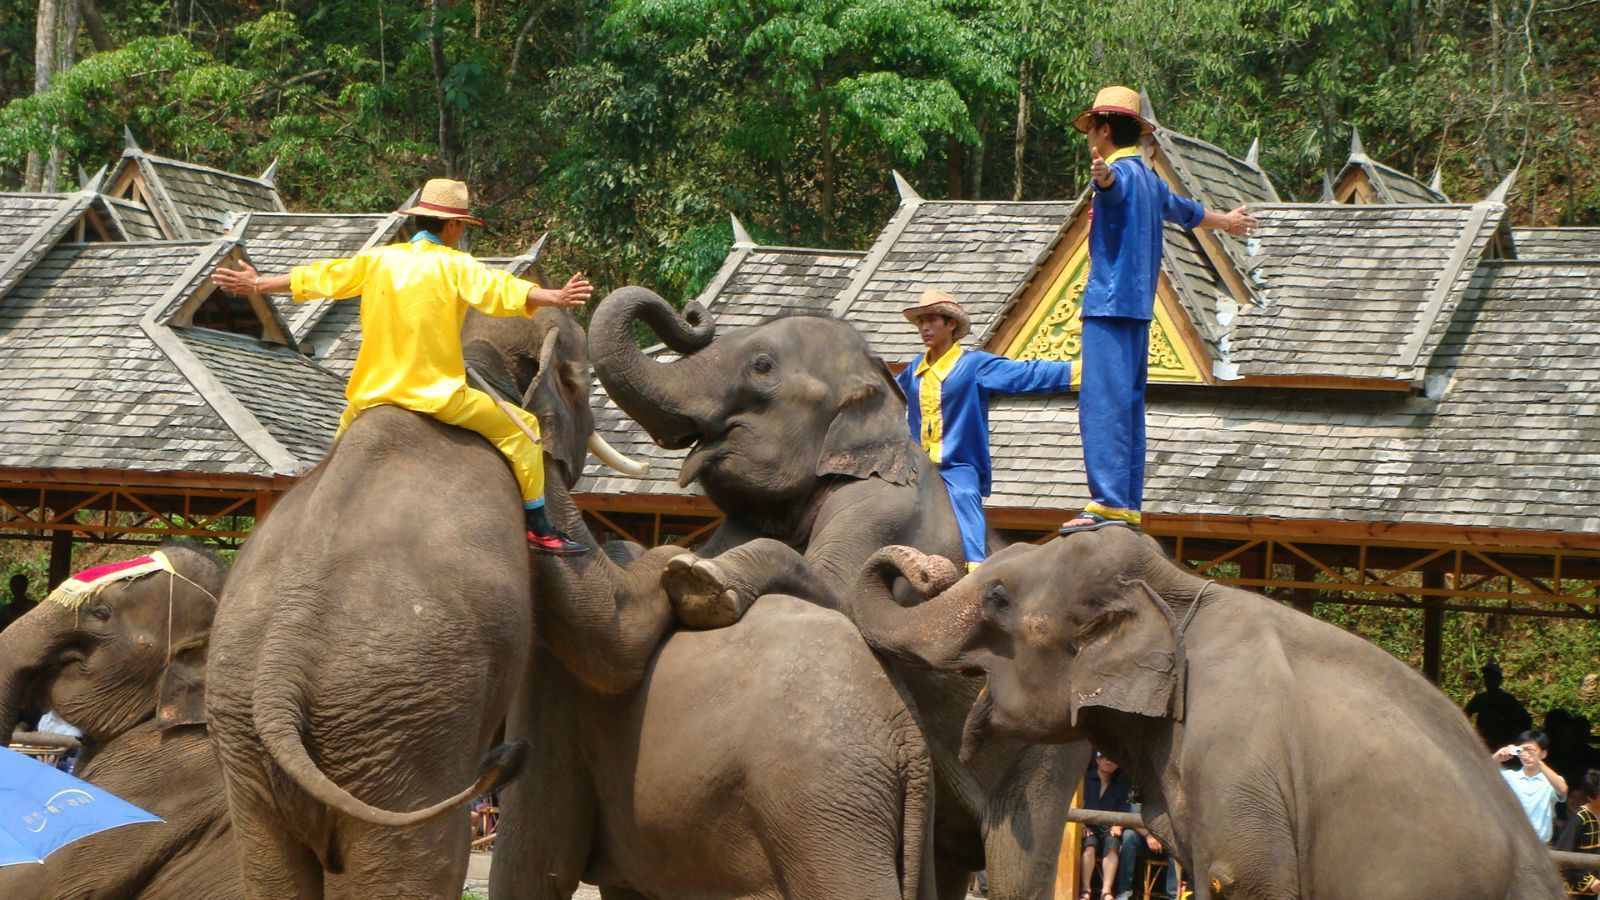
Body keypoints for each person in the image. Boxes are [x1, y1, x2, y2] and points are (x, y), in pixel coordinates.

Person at [212, 178, 592, 555]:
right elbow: (503, 292)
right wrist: (555, 296)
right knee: (525, 435)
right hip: (439, 397)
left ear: (419, 220)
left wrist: (258, 282)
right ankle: (540, 530)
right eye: (461, 226)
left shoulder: (378, 259)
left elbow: (320, 278)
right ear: (453, 225)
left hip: (369, 397)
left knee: (329, 464)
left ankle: (298, 527)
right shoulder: (456, 265)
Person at [1058, 86, 1255, 534]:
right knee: (1129, 406)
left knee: (1103, 404)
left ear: (1105, 130)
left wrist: (1102, 179)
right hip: (1139, 311)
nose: (1089, 138)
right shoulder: (1151, 179)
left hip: (1108, 306)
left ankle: (1106, 501)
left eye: (1091, 130)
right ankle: (1126, 503)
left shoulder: (1123, 175)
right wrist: (1226, 220)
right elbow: (1186, 211)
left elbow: (1110, 188)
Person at [895, 290, 1074, 568]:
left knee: (966, 497)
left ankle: (975, 567)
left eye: (931, 320)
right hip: (915, 465)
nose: (924, 328)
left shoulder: (974, 365)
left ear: (950, 324)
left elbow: (1024, 374)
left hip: (956, 465)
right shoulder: (916, 368)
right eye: (920, 322)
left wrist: (1076, 371)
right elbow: (891, 390)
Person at [1079, 751, 1139, 900]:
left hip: (1108, 829)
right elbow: (1075, 805)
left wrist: (1118, 825)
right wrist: (1080, 826)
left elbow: (1124, 811)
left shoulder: (1122, 785)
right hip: (1087, 828)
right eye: (1105, 757)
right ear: (1098, 760)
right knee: (1089, 844)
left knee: (1112, 844)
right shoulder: (1084, 780)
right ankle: (1086, 889)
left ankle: (1106, 891)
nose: (1109, 761)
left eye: (1113, 758)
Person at [1494, 729, 1569, 842]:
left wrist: (1538, 762)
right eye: (1522, 750)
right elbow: (1478, 776)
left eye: (1531, 750)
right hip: (1513, 843)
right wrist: (1497, 757)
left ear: (1543, 754)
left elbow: (1563, 790)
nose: (1526, 755)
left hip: (1540, 846)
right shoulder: (1509, 776)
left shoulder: (1550, 781)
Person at [1466, 661, 1533, 751]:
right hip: (1483, 744)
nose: (1488, 679)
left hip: (1503, 745)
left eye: (1492, 677)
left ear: (1499, 680)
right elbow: (1464, 715)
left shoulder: (1508, 700)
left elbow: (1526, 720)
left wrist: (1514, 737)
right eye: (1486, 676)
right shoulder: (1480, 699)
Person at [1559, 769, 1600, 895]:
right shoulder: (1579, 817)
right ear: (1590, 796)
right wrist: (1588, 881)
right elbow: (1563, 855)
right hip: (1574, 893)